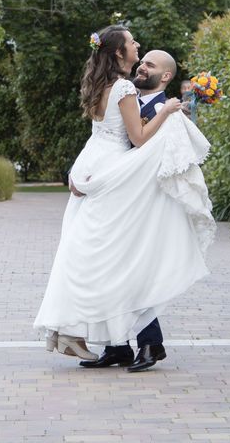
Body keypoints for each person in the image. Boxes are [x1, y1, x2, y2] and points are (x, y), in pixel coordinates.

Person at [33, 25, 215, 371]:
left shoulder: (99, 85)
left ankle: (106, 340)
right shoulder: (125, 87)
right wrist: (168, 111)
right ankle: (114, 341)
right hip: (118, 173)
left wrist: (81, 171)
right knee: (113, 256)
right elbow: (140, 137)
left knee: (102, 254)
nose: (138, 47)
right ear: (119, 53)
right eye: (133, 45)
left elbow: (103, 135)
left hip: (96, 165)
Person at [79, 49, 179, 371]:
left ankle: (152, 343)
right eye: (142, 59)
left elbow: (160, 156)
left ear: (164, 76)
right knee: (112, 268)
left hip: (144, 202)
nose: (141, 65)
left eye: (149, 64)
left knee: (135, 271)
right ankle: (117, 345)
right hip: (118, 196)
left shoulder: (170, 111)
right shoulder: (125, 97)